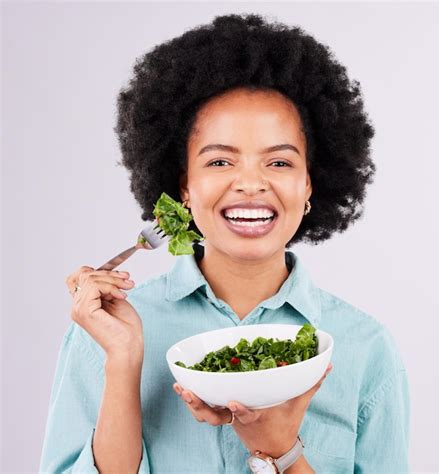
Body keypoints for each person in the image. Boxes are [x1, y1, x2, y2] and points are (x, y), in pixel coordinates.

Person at [39, 13, 410, 474]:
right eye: (219, 162)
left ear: (310, 185)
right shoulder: (106, 332)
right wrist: (124, 363)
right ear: (185, 188)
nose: (250, 184)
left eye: (279, 163)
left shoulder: (365, 346)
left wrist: (281, 450)